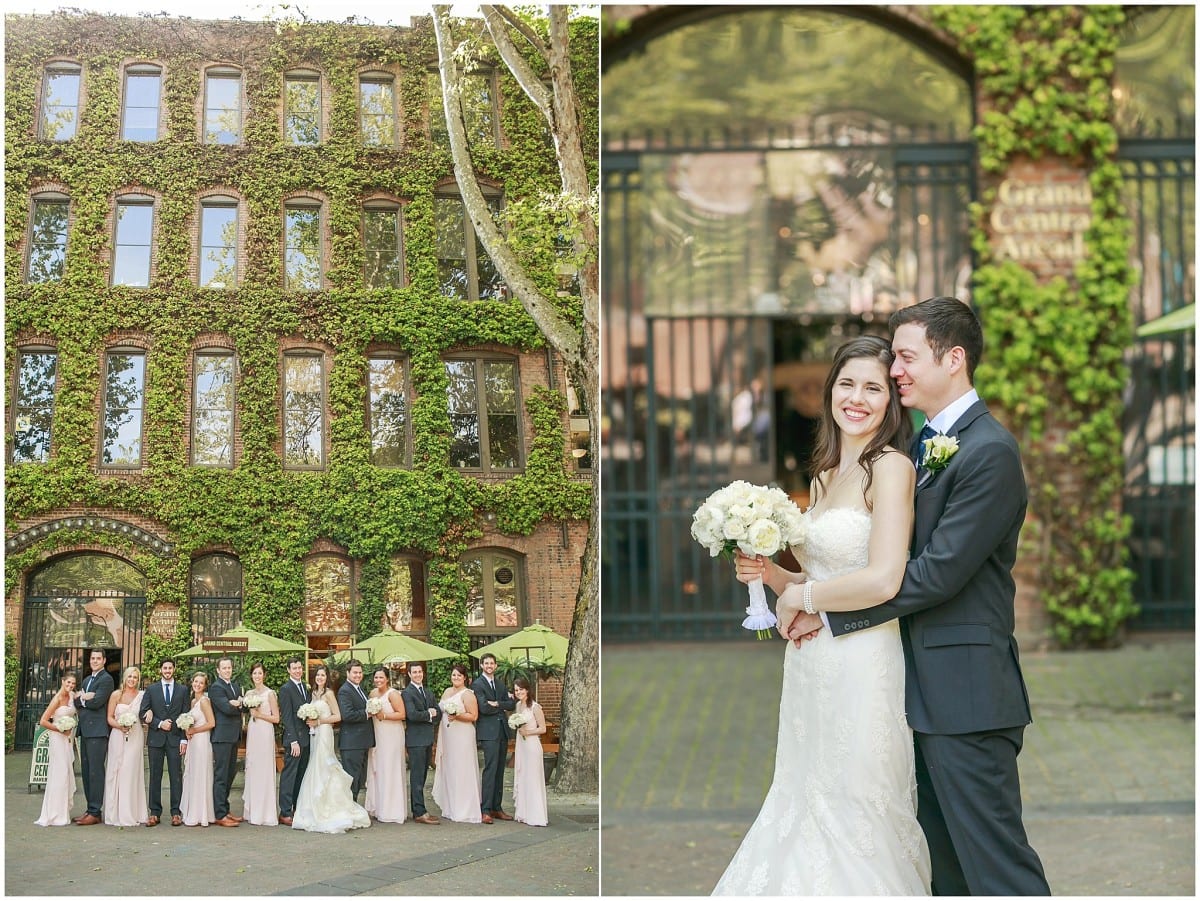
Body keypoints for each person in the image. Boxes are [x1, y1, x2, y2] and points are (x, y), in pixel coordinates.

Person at [780, 297, 1050, 895]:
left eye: (905, 357)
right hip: (910, 692)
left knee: (998, 867)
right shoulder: (926, 445)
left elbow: (934, 575)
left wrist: (822, 609)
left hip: (966, 696)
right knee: (946, 871)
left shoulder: (989, 452)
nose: (895, 369)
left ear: (952, 359)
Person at [714, 334, 930, 895]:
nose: (856, 398)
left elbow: (886, 576)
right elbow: (818, 578)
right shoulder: (824, 472)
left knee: (857, 807)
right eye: (847, 383)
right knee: (805, 798)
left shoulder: (891, 468)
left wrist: (802, 599)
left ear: (891, 400)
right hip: (811, 666)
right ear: (830, 390)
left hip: (862, 659)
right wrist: (769, 573)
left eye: (873, 387)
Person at [291, 664, 370, 834]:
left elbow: (338, 716)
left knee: (325, 765)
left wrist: (319, 722)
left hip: (324, 732)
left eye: (323, 675)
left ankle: (331, 805)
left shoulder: (329, 694)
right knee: (314, 765)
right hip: (314, 734)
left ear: (327, 677)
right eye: (317, 675)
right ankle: (312, 806)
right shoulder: (312, 693)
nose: (320, 678)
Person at [140, 657, 188, 827]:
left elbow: (185, 714)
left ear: (174, 669)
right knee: (155, 775)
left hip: (175, 739)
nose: (167, 671)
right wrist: (159, 723)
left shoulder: (182, 690)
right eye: (165, 668)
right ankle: (154, 812)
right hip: (156, 739)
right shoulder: (151, 690)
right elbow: (142, 712)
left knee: (176, 776)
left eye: (170, 668)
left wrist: (184, 738)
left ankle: (176, 812)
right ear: (160, 670)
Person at [432, 662, 482, 823]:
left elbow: (474, 716)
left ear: (464, 678)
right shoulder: (447, 691)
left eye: (459, 675)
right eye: (454, 675)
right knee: (450, 768)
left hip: (462, 735)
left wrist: (458, 716)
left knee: (462, 769)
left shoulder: (468, 694)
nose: (456, 678)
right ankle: (451, 806)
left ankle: (465, 809)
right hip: (448, 735)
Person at [472, 652, 515, 822]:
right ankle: (486, 809)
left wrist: (497, 703)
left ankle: (497, 807)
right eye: (486, 663)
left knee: (499, 771)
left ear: (495, 666)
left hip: (502, 730)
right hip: (488, 732)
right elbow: (483, 708)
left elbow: (511, 703)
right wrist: (500, 706)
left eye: (492, 663)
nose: (489, 666)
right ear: (482, 665)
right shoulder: (478, 684)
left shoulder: (500, 683)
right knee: (490, 770)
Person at [73, 648, 114, 825]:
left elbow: (97, 702)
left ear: (104, 661)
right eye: (92, 658)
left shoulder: (107, 679)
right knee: (87, 772)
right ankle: (90, 808)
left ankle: (96, 811)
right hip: (85, 730)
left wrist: (83, 699)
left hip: (98, 731)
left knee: (96, 771)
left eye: (98, 658)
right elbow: (75, 701)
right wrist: (83, 698)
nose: (95, 661)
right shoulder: (87, 679)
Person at [103, 665, 147, 826]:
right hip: (117, 735)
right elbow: (109, 717)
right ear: (125, 678)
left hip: (135, 736)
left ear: (138, 680)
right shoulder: (116, 695)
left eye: (135, 677)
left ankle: (131, 812)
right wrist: (120, 726)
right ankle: (115, 812)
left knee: (131, 771)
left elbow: (146, 714)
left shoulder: (142, 696)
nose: (132, 680)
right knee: (117, 770)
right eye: (130, 676)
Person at [365, 666, 408, 823]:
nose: (378, 680)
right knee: (379, 768)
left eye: (381, 678)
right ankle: (379, 806)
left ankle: (392, 810)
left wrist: (384, 715)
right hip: (378, 735)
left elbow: (402, 714)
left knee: (391, 768)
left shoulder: (393, 694)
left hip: (392, 735)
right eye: (376, 678)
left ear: (387, 679)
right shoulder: (372, 693)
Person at [35, 672, 78, 826]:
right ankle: (54, 813)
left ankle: (63, 811)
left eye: (73, 683)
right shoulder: (57, 699)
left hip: (67, 738)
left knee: (66, 772)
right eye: (68, 683)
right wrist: (60, 729)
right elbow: (43, 721)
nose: (71, 686)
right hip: (58, 737)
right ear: (62, 681)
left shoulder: (72, 695)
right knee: (59, 773)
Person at [402, 661, 440, 824]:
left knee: (424, 775)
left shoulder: (428, 692)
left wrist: (430, 714)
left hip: (427, 738)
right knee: (417, 777)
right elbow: (411, 714)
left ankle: (421, 809)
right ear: (409, 674)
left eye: (420, 671)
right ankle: (419, 811)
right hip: (415, 740)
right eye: (414, 672)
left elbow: (437, 712)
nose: (418, 674)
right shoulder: (407, 693)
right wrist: (428, 714)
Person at [241, 661, 279, 826]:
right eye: (255, 673)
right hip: (253, 731)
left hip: (265, 730)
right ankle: (252, 811)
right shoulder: (249, 693)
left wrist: (259, 714)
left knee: (264, 768)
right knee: (253, 767)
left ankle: (265, 813)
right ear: (251, 675)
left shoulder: (270, 694)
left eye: (260, 673)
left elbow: (276, 718)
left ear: (264, 675)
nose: (257, 676)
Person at [208, 656, 243, 827]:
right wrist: (235, 705)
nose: (227, 670)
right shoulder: (216, 687)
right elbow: (226, 708)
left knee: (229, 775)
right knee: (221, 775)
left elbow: (242, 706)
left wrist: (237, 704)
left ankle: (225, 808)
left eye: (229, 667)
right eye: (224, 668)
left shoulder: (235, 686)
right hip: (222, 737)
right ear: (218, 670)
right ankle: (219, 814)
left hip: (234, 736)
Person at [277, 656, 311, 826]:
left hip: (306, 739)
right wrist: (293, 741)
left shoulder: (305, 687)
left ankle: (297, 807)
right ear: (289, 670)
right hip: (294, 741)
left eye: (299, 667)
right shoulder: (285, 689)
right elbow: (287, 717)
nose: (298, 670)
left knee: (301, 775)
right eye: (294, 668)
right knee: (289, 776)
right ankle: (284, 812)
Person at [509, 677, 548, 827]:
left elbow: (542, 728)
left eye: (521, 689)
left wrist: (528, 732)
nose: (518, 692)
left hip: (532, 745)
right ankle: (524, 813)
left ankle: (536, 814)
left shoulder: (535, 707)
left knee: (533, 778)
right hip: (522, 746)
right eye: (516, 690)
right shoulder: (518, 706)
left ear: (527, 690)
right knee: (523, 775)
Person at [179, 671, 216, 827]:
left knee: (201, 775)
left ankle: (202, 813)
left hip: (202, 742)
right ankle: (192, 810)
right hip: (193, 743)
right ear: (192, 683)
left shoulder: (205, 701)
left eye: (201, 683)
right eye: (196, 682)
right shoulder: (193, 701)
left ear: (205, 685)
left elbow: (211, 723)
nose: (198, 685)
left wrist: (194, 730)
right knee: (193, 775)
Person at [336, 660, 374, 805]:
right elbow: (347, 715)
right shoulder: (345, 690)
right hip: (351, 742)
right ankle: (349, 808)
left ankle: (354, 807)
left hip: (362, 741)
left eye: (359, 672)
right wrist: (367, 714)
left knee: (359, 778)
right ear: (348, 673)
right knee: (351, 779)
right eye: (355, 672)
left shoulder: (360, 689)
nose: (358, 675)